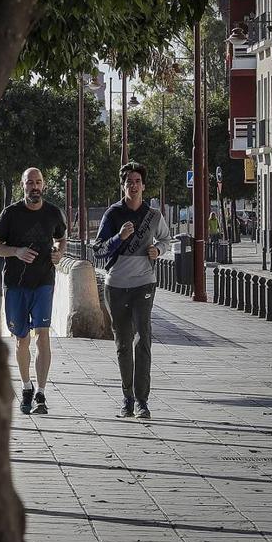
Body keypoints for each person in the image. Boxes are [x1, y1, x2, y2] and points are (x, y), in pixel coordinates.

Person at [93, 161, 171, 420]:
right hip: (116, 286)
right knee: (123, 343)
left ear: (144, 186)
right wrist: (119, 238)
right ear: (123, 186)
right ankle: (127, 398)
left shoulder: (154, 215)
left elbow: (165, 240)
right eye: (129, 182)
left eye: (137, 181)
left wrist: (158, 250)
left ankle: (142, 402)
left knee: (143, 339)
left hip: (144, 284)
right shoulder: (112, 214)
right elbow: (99, 249)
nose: (134, 186)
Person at [0, 168, 67, 415]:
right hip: (15, 284)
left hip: (44, 281)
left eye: (38, 182)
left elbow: (62, 237)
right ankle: (26, 386)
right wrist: (16, 252)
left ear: (43, 185)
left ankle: (41, 394)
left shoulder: (53, 213)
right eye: (30, 182)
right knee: (22, 339)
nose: (35, 186)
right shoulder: (10, 214)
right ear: (22, 185)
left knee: (42, 335)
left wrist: (59, 252)